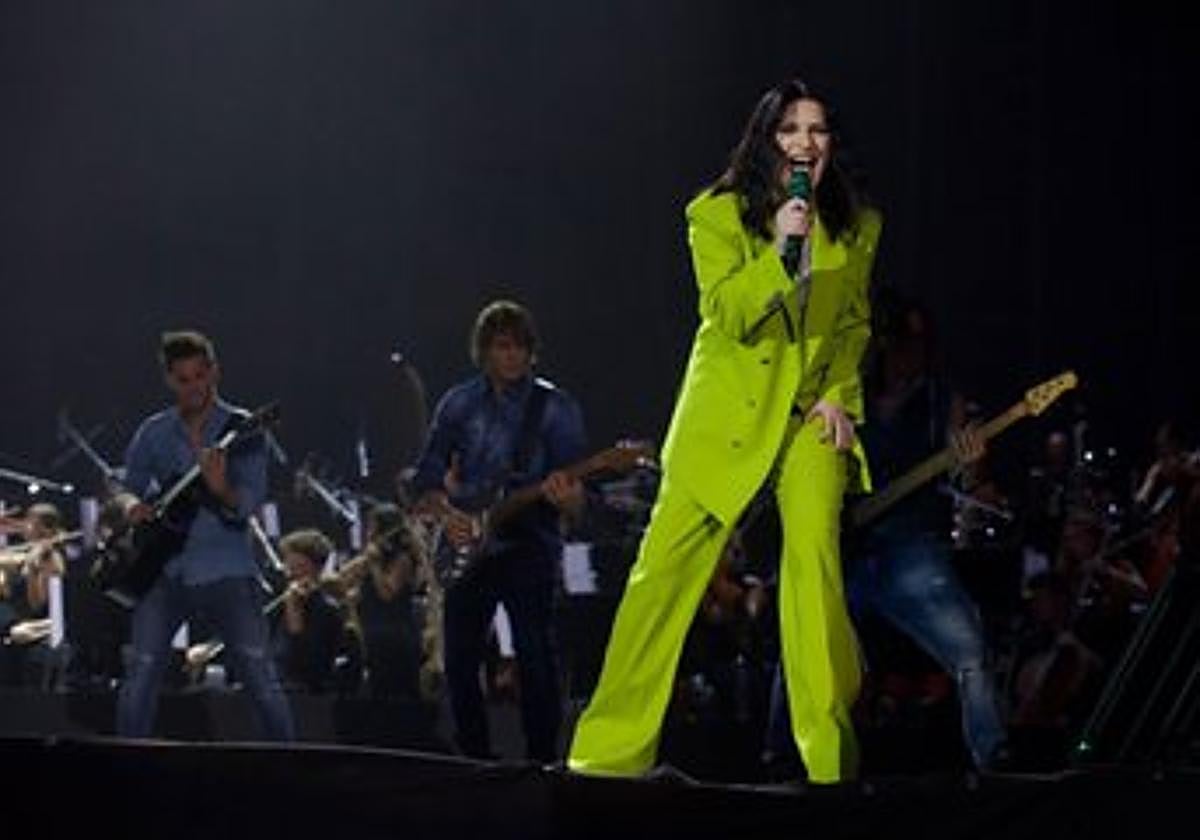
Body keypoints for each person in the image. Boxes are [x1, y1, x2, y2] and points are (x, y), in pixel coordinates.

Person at [568, 78, 881, 784]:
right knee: (661, 580)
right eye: (791, 130)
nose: (806, 143)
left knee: (814, 567)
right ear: (767, 142)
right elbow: (730, 314)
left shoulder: (857, 226)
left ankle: (830, 759)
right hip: (726, 421)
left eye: (818, 131)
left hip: (807, 417)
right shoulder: (714, 216)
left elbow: (854, 322)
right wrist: (779, 250)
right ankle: (605, 757)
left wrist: (839, 394)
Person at [768, 290, 1009, 773]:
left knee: (969, 649)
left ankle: (995, 758)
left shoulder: (944, 400)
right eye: (900, 344)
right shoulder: (846, 390)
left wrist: (973, 463)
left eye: (918, 347)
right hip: (844, 545)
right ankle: (779, 755)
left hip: (909, 548)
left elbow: (970, 481)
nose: (908, 357)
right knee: (802, 641)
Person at [412, 300, 587, 763]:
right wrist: (446, 515)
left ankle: (541, 761)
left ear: (532, 352)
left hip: (529, 541)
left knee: (534, 655)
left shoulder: (556, 407)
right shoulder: (459, 402)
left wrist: (565, 495)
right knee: (460, 661)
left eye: (519, 347)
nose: (510, 356)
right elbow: (425, 477)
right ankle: (473, 759)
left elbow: (576, 492)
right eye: (500, 347)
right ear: (485, 351)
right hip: (466, 541)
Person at [115, 330, 294, 740]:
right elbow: (126, 485)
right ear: (169, 381)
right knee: (141, 671)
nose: (194, 387)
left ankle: (288, 765)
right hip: (164, 569)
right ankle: (124, 765)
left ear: (214, 372)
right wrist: (130, 505)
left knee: (259, 675)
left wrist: (220, 489)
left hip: (226, 569)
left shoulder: (243, 428)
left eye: (200, 375)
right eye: (183, 379)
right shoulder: (154, 432)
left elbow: (247, 505)